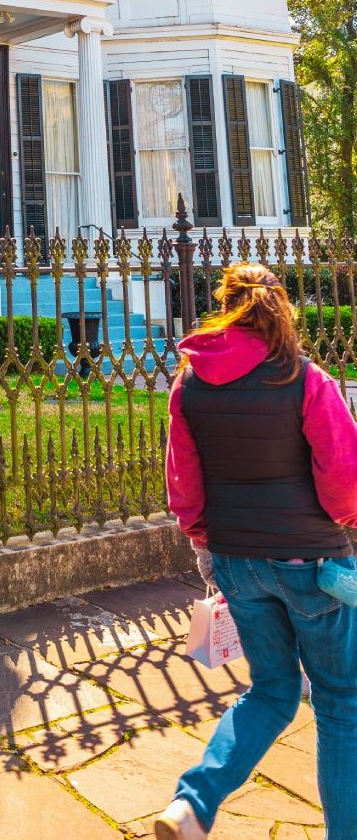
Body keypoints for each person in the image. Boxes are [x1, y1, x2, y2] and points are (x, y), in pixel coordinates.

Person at [156, 263, 357, 840]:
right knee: (342, 703)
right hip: (314, 563)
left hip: (237, 562)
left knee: (271, 690)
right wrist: (345, 522)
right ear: (279, 308)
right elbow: (343, 477)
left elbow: (183, 480)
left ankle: (192, 805)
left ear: (225, 305)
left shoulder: (189, 382)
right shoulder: (304, 377)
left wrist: (202, 540)